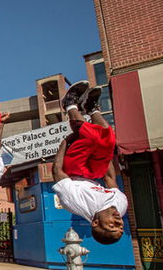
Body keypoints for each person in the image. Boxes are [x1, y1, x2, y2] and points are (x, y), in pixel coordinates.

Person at [51, 81, 127, 245]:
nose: (119, 222)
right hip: (94, 173)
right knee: (108, 138)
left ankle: (70, 104)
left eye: (112, 225)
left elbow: (57, 172)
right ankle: (92, 108)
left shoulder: (75, 203)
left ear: (95, 223)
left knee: (90, 136)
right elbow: (110, 179)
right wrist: (104, 153)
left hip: (73, 171)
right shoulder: (121, 206)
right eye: (121, 226)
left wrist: (64, 142)